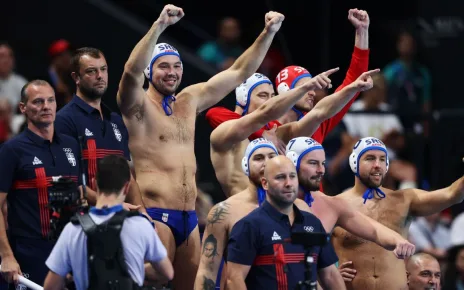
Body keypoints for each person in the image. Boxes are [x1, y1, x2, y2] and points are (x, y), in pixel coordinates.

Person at [117, 3, 284, 288]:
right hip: (157, 213)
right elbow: (131, 70)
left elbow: (239, 72)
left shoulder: (189, 100)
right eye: (163, 66)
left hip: (190, 218)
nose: (172, 72)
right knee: (153, 278)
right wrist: (160, 26)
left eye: (177, 66)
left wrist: (268, 32)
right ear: (149, 71)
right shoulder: (137, 106)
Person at [205, 8, 370, 145]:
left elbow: (354, 83)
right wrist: (262, 134)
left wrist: (362, 31)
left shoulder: (317, 121)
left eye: (312, 86)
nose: (313, 92)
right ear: (286, 90)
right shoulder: (263, 124)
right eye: (306, 86)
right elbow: (214, 113)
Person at [210, 68, 379, 197]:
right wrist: (260, 132)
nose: (269, 102)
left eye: (272, 96)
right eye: (262, 95)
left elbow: (319, 113)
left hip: (278, 216)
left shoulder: (276, 133)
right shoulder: (228, 134)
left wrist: (351, 89)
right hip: (243, 216)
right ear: (243, 99)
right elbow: (213, 113)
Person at [331, 137, 464, 289]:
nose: (377, 165)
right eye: (370, 158)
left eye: (382, 159)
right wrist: (330, 272)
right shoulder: (336, 205)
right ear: (354, 162)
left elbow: (452, 195)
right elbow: (312, 249)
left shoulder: (405, 200)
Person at [285, 137, 415, 280]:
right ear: (292, 162)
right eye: (313, 163)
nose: (321, 170)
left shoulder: (330, 205)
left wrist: (398, 241)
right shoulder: (266, 204)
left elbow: (375, 230)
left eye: (322, 163)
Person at [195, 139, 312, 289]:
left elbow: (315, 263)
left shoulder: (300, 208)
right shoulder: (225, 212)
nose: (267, 163)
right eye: (258, 158)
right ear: (246, 166)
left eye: (271, 156)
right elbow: (207, 272)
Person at [43, 155, 173, 290]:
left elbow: (50, 286)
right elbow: (167, 273)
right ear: (127, 187)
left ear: (94, 183)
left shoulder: (73, 229)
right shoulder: (141, 225)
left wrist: (75, 274)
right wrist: (134, 269)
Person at [0, 80, 82, 288]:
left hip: (71, 250)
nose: (46, 106)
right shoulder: (12, 150)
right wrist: (6, 256)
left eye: (51, 100)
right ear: (23, 108)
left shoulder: (71, 145)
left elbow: (79, 195)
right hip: (31, 253)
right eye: (38, 101)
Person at [226, 156, 345, 289]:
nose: (288, 183)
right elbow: (234, 280)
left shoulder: (312, 222)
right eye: (280, 177)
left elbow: (330, 275)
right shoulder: (248, 226)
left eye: (292, 176)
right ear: (265, 183)